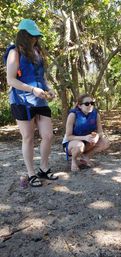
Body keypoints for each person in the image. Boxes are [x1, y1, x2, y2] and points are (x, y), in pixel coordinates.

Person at [5, 19, 58, 187]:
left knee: (48, 135)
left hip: (40, 100)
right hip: (22, 101)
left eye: (36, 36)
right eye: (31, 36)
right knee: (28, 137)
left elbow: (40, 77)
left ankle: (44, 168)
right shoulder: (14, 52)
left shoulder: (37, 52)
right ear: (23, 35)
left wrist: (48, 90)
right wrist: (32, 90)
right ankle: (31, 173)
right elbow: (11, 80)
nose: (35, 39)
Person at [63, 93, 110, 172]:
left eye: (92, 103)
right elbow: (68, 136)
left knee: (105, 142)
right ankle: (74, 161)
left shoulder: (96, 114)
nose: (90, 105)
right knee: (79, 145)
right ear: (79, 106)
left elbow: (101, 132)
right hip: (71, 144)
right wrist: (85, 137)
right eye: (87, 104)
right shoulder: (73, 115)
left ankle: (85, 156)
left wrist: (97, 136)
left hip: (87, 142)